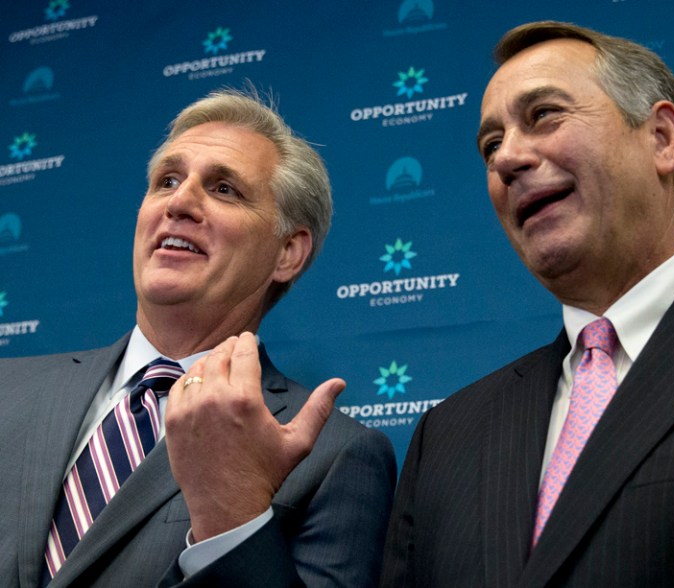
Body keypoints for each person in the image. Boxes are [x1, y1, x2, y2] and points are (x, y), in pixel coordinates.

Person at [381, 20, 674, 587]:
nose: (507, 158)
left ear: (662, 137)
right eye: (491, 145)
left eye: (543, 115)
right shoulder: (447, 435)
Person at [0, 88, 396, 587]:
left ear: (287, 253)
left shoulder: (335, 455)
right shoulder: (6, 391)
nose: (180, 201)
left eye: (224, 189)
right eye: (166, 180)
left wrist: (232, 512)